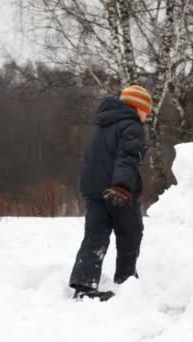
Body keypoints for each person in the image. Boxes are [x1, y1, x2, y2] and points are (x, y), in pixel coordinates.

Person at [69, 85, 153, 301]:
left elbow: (94, 159)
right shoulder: (131, 127)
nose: (147, 116)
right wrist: (123, 186)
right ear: (136, 107)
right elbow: (127, 157)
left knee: (95, 237)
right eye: (146, 111)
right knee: (130, 234)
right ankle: (126, 280)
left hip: (94, 191)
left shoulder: (104, 124)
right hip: (118, 191)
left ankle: (84, 284)